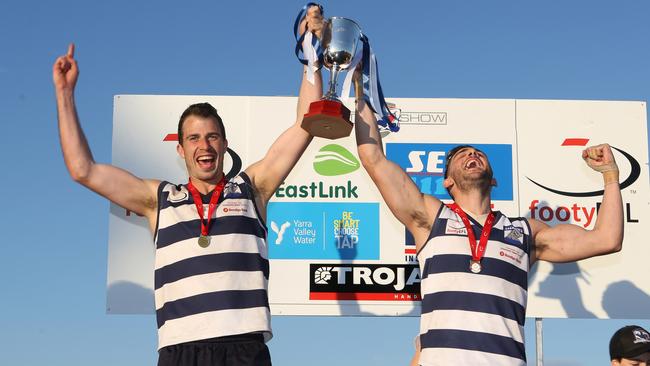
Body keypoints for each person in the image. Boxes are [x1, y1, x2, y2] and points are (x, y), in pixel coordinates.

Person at [52, 7, 325, 366]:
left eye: (212, 137)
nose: (204, 146)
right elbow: (82, 169)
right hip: (180, 351)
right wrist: (65, 94)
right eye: (194, 138)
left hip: (244, 348)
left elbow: (306, 125)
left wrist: (312, 59)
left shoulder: (252, 187)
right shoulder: (159, 200)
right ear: (181, 149)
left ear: (225, 144)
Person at [352, 76, 623, 365]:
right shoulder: (431, 218)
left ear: (493, 179)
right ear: (447, 182)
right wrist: (361, 90)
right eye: (461, 155)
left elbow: (606, 239)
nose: (472, 153)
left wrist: (610, 175)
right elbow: (373, 157)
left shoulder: (524, 232)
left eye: (479, 153)